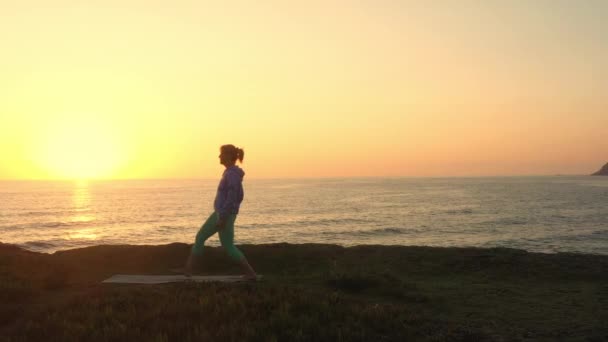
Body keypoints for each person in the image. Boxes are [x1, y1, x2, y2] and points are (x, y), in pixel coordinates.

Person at [180, 144, 257, 280]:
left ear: (228, 156)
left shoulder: (232, 174)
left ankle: (250, 273)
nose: (219, 156)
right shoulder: (230, 172)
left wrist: (223, 217)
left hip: (224, 214)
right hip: (222, 213)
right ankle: (188, 270)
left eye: (221, 154)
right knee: (212, 241)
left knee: (216, 242)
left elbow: (233, 197)